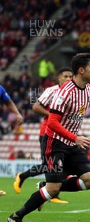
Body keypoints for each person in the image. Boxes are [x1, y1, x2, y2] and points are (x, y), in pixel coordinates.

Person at [7, 53, 90, 222]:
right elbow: (52, 122)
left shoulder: (87, 88)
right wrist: (75, 137)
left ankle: (45, 186)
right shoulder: (65, 93)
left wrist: (74, 138)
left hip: (71, 143)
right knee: (53, 189)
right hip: (55, 143)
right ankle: (16, 216)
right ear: (81, 70)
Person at [13, 67, 73, 206]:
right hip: (48, 133)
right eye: (65, 76)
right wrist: (51, 116)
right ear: (59, 78)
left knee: (58, 165)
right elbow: (36, 107)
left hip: (63, 134)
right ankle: (46, 190)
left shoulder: (72, 92)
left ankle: (38, 184)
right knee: (50, 166)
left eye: (71, 76)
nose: (69, 79)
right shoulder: (52, 91)